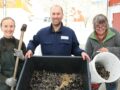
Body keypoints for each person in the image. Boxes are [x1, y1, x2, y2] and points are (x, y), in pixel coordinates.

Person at [25, 5, 90, 61]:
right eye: (53, 14)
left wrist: (81, 52)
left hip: (65, 70)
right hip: (47, 69)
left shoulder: (70, 32)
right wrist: (30, 50)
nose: (56, 16)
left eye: (58, 14)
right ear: (50, 15)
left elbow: (75, 48)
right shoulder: (42, 33)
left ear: (62, 15)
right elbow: (32, 42)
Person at [85, 14, 120, 90]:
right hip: (96, 68)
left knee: (112, 87)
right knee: (92, 87)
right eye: (97, 26)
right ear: (94, 26)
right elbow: (87, 55)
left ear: (107, 25)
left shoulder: (115, 34)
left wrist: (109, 50)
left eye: (103, 26)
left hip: (112, 68)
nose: (100, 28)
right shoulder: (90, 38)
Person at [0, 17, 26, 90]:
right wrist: (5, 80)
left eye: (11, 26)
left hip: (20, 82)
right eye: (5, 26)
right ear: (1, 28)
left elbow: (27, 65)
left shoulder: (20, 43)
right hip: (3, 85)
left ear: (14, 27)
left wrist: (23, 58)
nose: (9, 29)